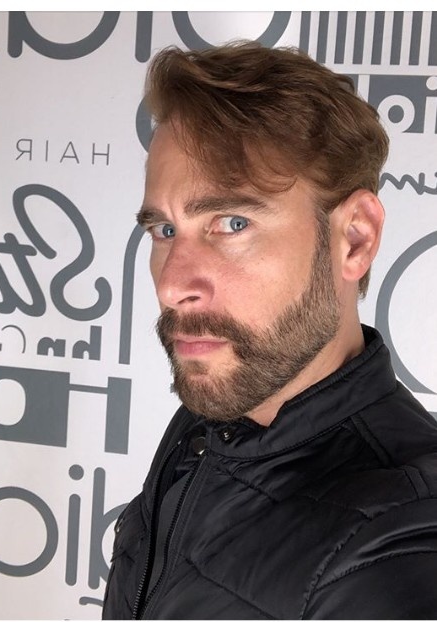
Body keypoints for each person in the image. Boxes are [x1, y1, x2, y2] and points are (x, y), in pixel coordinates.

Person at [102, 41, 437, 619]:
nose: (171, 285)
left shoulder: (399, 545)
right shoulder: (219, 414)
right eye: (164, 230)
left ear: (354, 239)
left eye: (232, 223)